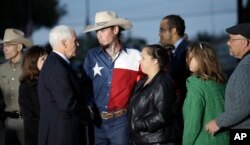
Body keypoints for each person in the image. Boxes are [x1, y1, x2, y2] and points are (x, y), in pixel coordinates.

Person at [83, 11, 142, 145]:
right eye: (97, 31)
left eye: (103, 30)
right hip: (97, 122)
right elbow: (85, 86)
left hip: (121, 122)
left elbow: (144, 87)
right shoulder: (91, 55)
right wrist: (88, 105)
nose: (99, 35)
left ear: (115, 30)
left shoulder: (134, 56)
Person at [38, 25, 87, 145]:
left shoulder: (54, 63)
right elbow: (67, 104)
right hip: (63, 135)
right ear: (64, 43)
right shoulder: (57, 67)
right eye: (75, 41)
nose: (78, 44)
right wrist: (88, 114)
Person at [206, 23, 250, 134]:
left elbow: (244, 105)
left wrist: (218, 122)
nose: (228, 43)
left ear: (245, 43)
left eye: (232, 39)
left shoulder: (246, 67)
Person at [128, 44, 176, 145]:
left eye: (143, 58)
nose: (140, 61)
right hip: (142, 139)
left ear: (155, 61)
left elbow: (162, 116)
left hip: (156, 141)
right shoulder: (143, 81)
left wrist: (138, 125)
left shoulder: (163, 83)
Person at [183, 42, 229, 145]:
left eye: (190, 57)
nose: (187, 60)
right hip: (225, 139)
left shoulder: (196, 84)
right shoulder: (222, 81)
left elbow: (192, 126)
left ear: (200, 58)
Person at [159, 14, 190, 144]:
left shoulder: (186, 51)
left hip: (184, 111)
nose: (159, 34)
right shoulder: (175, 51)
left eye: (162, 29)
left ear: (174, 31)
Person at [0, 28, 33, 145]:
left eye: (8, 45)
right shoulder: (2, 69)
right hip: (9, 123)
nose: (4, 48)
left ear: (19, 47)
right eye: (3, 45)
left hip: (28, 123)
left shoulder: (31, 67)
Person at [18, 46, 48, 145]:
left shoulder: (50, 80)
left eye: (47, 58)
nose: (47, 61)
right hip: (36, 136)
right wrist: (48, 128)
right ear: (33, 63)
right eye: (43, 59)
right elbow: (29, 117)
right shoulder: (26, 86)